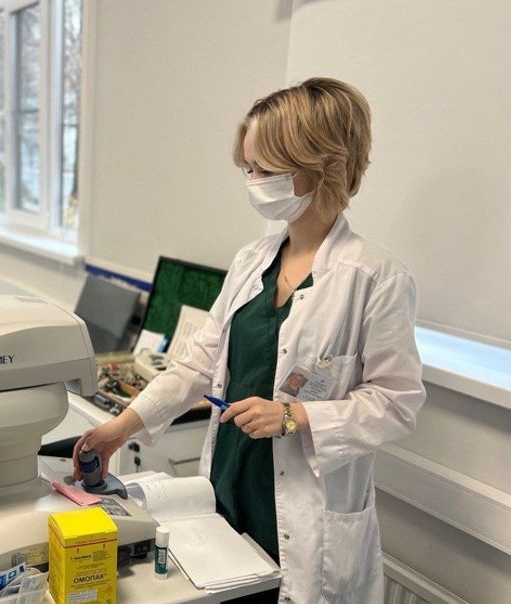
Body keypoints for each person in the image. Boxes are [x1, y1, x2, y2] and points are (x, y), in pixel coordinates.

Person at [73, 78, 425, 603]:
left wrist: (295, 416)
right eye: (248, 168)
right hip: (230, 481)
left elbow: (397, 403)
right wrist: (118, 430)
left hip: (308, 509)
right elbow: (198, 364)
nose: (252, 181)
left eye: (263, 169)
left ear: (315, 165)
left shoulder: (375, 278)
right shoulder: (251, 262)